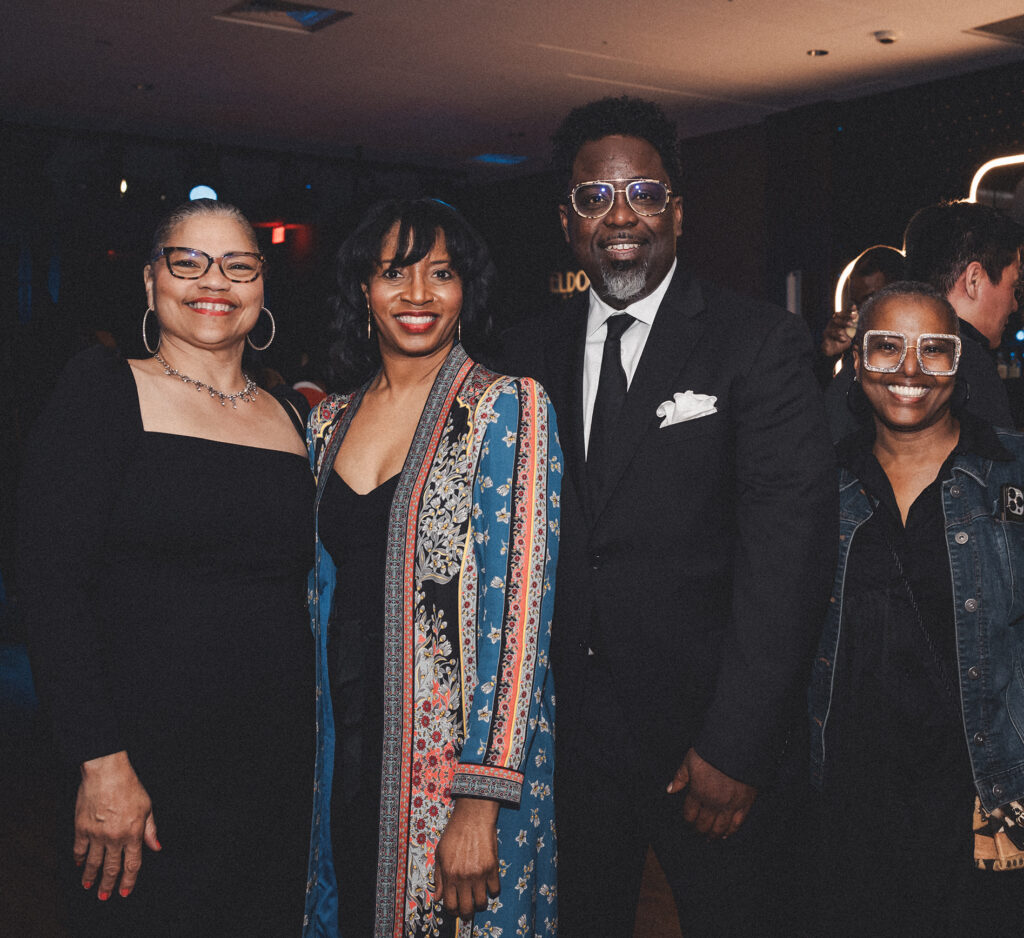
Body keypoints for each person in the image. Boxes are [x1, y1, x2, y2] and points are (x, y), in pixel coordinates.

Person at [499, 96, 836, 936]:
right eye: (595, 197)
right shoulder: (522, 352)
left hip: (708, 749)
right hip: (566, 747)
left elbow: (787, 560)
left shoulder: (756, 344)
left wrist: (736, 744)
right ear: (567, 219)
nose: (621, 215)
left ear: (678, 213)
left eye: (644, 192)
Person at [17, 199, 314, 936]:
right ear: (152, 282)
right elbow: (52, 588)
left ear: (261, 284)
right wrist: (101, 763)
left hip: (275, 772)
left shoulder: (292, 416)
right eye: (189, 261)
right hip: (142, 772)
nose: (214, 281)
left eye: (238, 264)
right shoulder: (103, 390)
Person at [302, 198, 561, 938]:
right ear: (363, 289)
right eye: (395, 273)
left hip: (453, 778)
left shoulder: (505, 407)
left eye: (440, 274)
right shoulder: (326, 422)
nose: (418, 294)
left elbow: (520, 615)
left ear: (466, 290)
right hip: (339, 757)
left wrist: (479, 804)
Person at [809, 281, 1024, 935]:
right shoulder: (818, 486)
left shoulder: (1012, 476)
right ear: (857, 359)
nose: (909, 370)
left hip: (982, 808)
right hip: (846, 815)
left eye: (933, 350)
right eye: (887, 348)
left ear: (960, 364)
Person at [826, 201, 1024, 440]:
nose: (1014, 304)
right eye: (1013, 286)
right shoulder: (964, 364)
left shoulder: (869, 365)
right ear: (974, 280)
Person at [815, 245, 905, 387]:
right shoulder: (859, 356)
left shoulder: (924, 353)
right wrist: (828, 358)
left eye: (871, 300)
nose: (862, 312)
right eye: (857, 304)